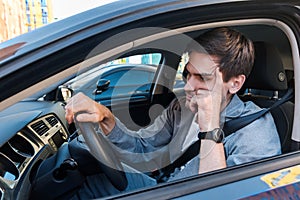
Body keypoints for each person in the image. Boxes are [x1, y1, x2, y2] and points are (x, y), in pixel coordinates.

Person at [65, 27, 281, 198]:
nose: (187, 86)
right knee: (90, 183)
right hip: (163, 185)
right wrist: (106, 117)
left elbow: (220, 194)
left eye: (202, 78)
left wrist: (210, 128)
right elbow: (143, 145)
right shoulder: (181, 108)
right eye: (187, 74)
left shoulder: (256, 131)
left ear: (235, 84)